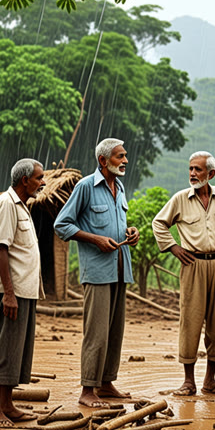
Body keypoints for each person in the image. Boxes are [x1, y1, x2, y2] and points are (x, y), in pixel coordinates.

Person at [152, 151, 215, 396]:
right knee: (191, 322)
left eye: (198, 170)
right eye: (191, 169)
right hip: (192, 265)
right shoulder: (180, 199)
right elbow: (158, 223)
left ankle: (210, 381)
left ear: (211, 174)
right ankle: (188, 382)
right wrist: (173, 247)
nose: (192, 174)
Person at [54, 138, 139, 407]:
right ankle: (87, 390)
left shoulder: (120, 186)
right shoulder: (85, 187)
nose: (125, 161)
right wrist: (95, 239)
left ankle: (106, 383)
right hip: (97, 272)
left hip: (120, 269)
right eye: (119, 156)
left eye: (125, 156)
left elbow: (118, 223)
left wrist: (131, 233)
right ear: (103, 161)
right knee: (97, 332)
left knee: (115, 330)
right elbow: (62, 224)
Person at [0, 158, 46, 427]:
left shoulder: (22, 206)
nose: (43, 182)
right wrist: (8, 293)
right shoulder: (7, 204)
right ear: (25, 180)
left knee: (17, 348)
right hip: (12, 290)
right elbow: (1, 249)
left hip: (24, 290)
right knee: (5, 346)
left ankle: (7, 405)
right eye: (39, 178)